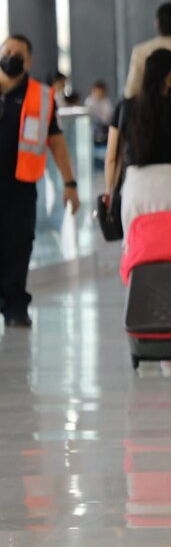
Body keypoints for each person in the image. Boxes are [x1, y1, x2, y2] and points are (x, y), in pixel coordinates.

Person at [0, 34, 80, 328]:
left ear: (29, 61)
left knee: (19, 245)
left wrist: (70, 184)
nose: (10, 56)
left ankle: (15, 307)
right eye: (6, 51)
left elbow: (56, 142)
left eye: (17, 53)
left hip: (21, 185)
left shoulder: (41, 95)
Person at [104, 49, 171, 237]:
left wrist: (109, 193)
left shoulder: (124, 107)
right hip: (169, 187)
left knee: (137, 253)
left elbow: (112, 157)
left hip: (134, 189)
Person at [84, 80, 113, 146]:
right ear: (93, 91)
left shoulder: (106, 102)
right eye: (97, 91)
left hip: (104, 131)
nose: (99, 93)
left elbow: (108, 117)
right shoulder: (89, 102)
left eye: (101, 91)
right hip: (93, 131)